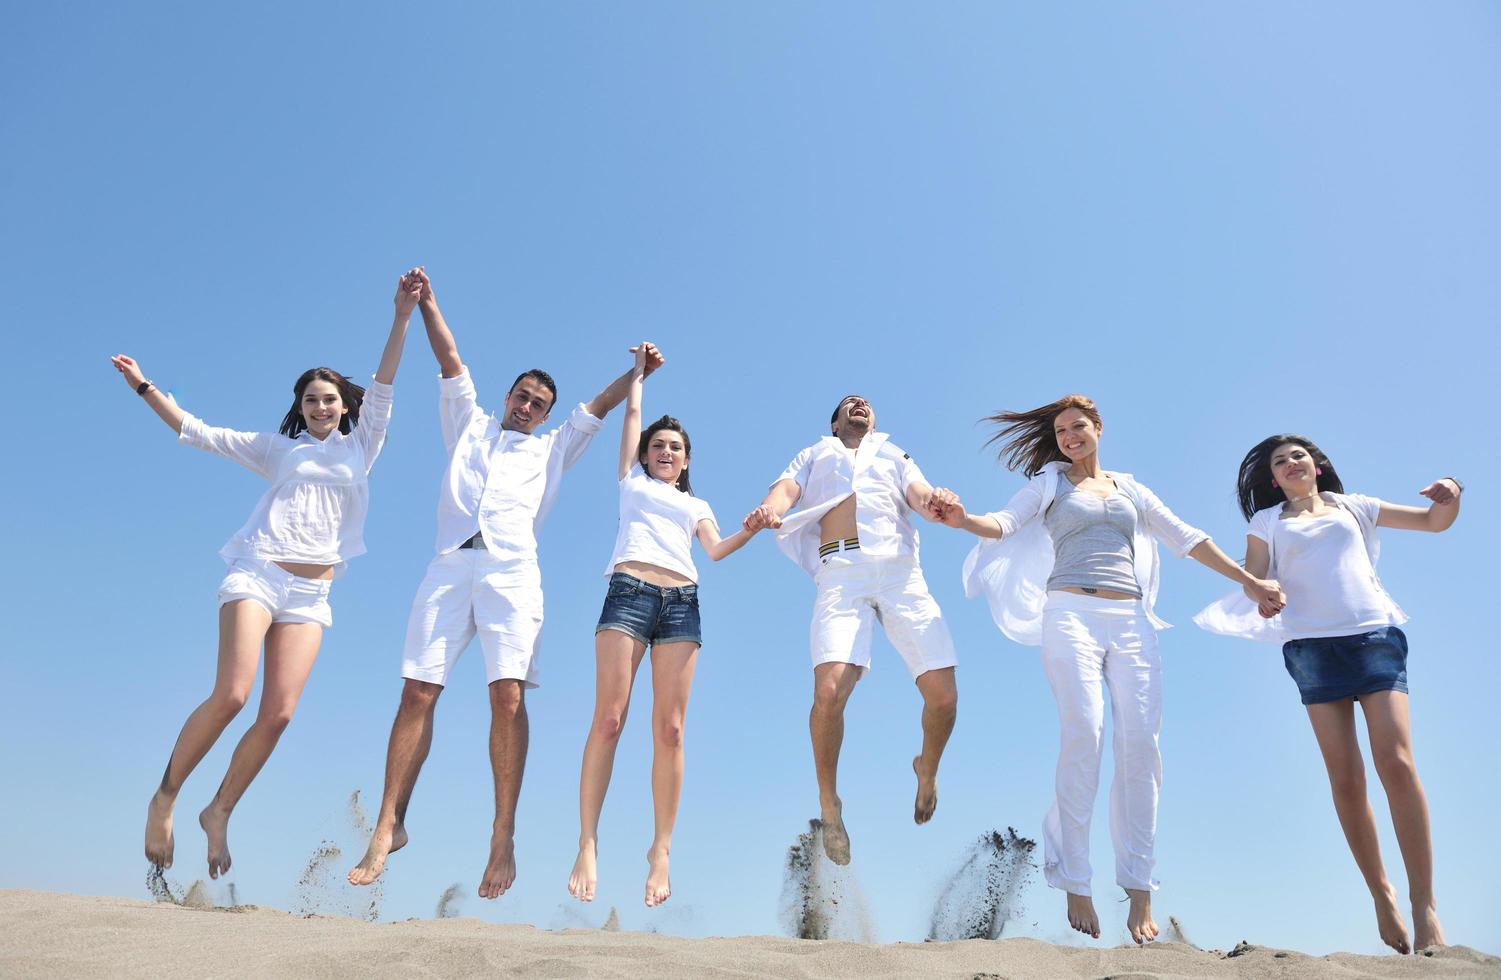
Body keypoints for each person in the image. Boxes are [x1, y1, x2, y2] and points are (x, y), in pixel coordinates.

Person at [347, 269, 663, 900]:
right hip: (448, 566)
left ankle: (502, 836)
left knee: (508, 698)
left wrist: (639, 375)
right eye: (521, 395)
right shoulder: (468, 424)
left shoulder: (550, 451)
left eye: (537, 404)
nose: (525, 406)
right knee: (417, 691)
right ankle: (388, 825)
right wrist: (427, 304)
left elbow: (596, 409)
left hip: (513, 574)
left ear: (546, 415)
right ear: (509, 394)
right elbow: (449, 358)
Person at [943, 394, 1283, 944]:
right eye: (1061, 431)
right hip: (1069, 613)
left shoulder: (1131, 489)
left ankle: (1140, 888)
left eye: (1079, 426)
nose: (1070, 436)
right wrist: (963, 520)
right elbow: (1003, 525)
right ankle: (1075, 877)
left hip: (1130, 621)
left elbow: (1187, 537)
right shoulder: (1050, 485)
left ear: (1099, 429)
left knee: (1142, 748)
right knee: (1086, 733)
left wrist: (1250, 581)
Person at [117, 270, 419, 878]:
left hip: (313, 592)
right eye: (310, 399)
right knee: (232, 694)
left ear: (344, 406)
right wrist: (144, 384)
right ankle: (166, 796)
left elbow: (385, 378)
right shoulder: (277, 449)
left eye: (329, 398)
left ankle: (219, 810)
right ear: (299, 408)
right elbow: (194, 430)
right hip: (258, 573)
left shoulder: (363, 446)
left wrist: (402, 315)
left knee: (278, 713)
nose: (320, 406)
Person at [1195, 435, 1460, 954]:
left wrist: (1452, 489)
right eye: (1279, 461)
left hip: (1374, 637)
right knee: (1346, 778)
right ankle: (1381, 893)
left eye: (1298, 455)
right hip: (1311, 649)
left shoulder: (1354, 507)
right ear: (1273, 479)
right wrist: (1262, 593)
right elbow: (1256, 577)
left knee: (1398, 764)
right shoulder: (1267, 522)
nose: (1291, 463)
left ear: (1316, 466)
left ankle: (1424, 903)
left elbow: (1433, 522)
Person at [566, 345, 765, 908]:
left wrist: (751, 527)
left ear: (686, 459)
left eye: (674, 448)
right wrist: (638, 375)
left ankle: (661, 851)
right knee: (609, 719)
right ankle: (587, 841)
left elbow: (718, 550)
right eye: (658, 446)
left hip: (682, 602)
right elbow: (630, 418)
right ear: (646, 455)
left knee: (671, 731)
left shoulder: (696, 504)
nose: (665, 452)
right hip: (627, 594)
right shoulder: (630, 483)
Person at [745, 395, 961, 867]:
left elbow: (919, 492)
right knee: (828, 691)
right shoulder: (815, 453)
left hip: (900, 572)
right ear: (835, 421)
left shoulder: (893, 451)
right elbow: (785, 489)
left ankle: (927, 768)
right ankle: (830, 803)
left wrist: (935, 503)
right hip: (841, 571)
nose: (859, 404)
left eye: (865, 402)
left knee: (944, 698)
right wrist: (768, 508)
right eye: (848, 403)